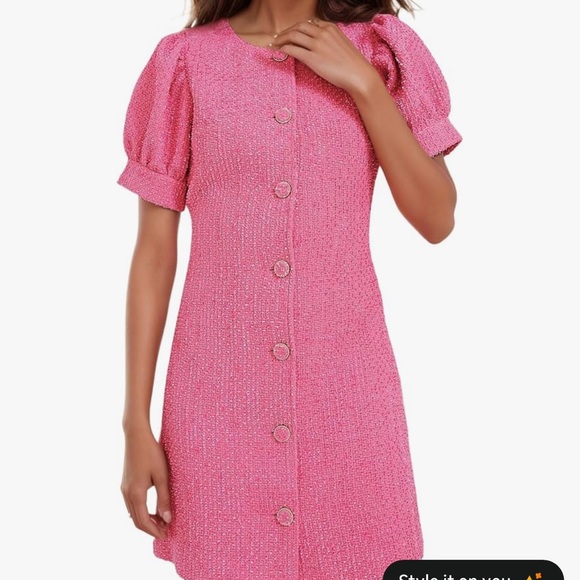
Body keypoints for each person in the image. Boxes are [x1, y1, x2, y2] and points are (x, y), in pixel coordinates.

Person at [117, 0, 462, 578]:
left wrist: (364, 85)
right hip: (217, 407)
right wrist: (135, 424)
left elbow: (437, 219)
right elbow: (153, 255)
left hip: (348, 404)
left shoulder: (379, 51)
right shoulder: (186, 64)